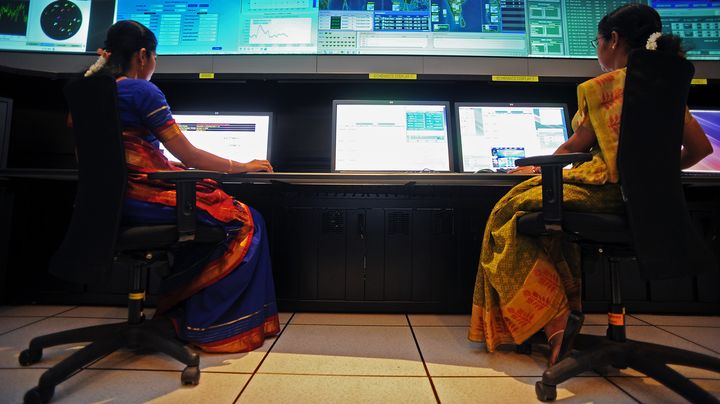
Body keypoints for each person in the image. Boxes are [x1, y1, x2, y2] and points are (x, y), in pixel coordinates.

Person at [468, 4, 712, 367]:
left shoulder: (603, 88)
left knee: (507, 216)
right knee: (540, 216)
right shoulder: (668, 88)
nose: (597, 48)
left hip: (602, 194)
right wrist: (652, 176)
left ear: (613, 40)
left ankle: (556, 320)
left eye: (597, 41)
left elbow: (571, 148)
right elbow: (700, 149)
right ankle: (556, 318)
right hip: (649, 203)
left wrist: (537, 169)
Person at [82, 20, 280, 353]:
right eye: (156, 57)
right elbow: (186, 154)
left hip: (108, 203)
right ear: (143, 55)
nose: (154, 64)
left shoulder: (88, 89)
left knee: (208, 222)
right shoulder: (139, 90)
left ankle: (180, 315)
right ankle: (208, 326)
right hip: (143, 197)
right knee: (246, 220)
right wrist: (240, 166)